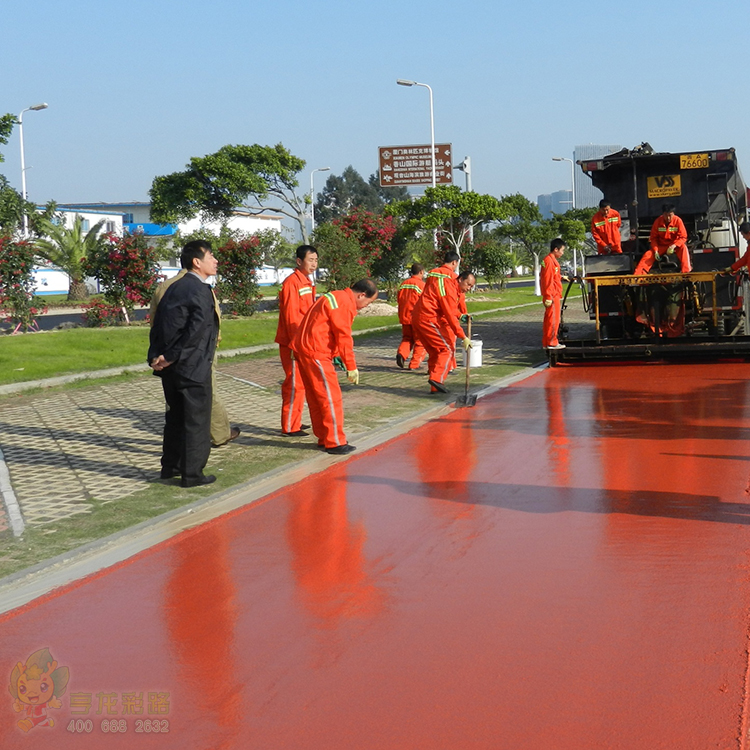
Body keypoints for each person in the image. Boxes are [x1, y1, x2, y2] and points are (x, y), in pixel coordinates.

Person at [148, 240, 220, 487]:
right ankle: (192, 474)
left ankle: (171, 467)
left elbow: (157, 324)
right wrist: (169, 356)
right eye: (211, 256)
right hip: (192, 366)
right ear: (196, 262)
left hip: (171, 367)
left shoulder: (173, 287)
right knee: (196, 421)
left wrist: (155, 355)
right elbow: (196, 331)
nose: (216, 261)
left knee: (175, 418)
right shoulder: (200, 289)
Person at [150, 268, 240, 448]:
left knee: (174, 398)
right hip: (198, 351)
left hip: (168, 353)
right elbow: (212, 320)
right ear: (196, 262)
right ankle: (219, 434)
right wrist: (215, 341)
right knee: (207, 391)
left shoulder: (164, 287)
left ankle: (179, 441)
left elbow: (155, 321)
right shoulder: (199, 288)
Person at [291, 278, 378, 455]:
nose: (366, 306)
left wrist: (336, 355)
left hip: (305, 350)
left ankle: (324, 437)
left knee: (316, 397)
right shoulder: (344, 303)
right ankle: (335, 441)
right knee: (331, 398)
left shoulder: (335, 296)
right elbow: (343, 336)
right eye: (369, 302)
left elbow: (323, 326)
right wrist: (351, 366)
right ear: (361, 295)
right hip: (316, 352)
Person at [411, 252, 472, 393]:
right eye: (468, 285)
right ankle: (437, 379)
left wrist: (460, 315)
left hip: (417, 316)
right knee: (447, 349)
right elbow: (449, 310)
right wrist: (463, 336)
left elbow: (442, 303)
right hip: (430, 318)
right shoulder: (450, 282)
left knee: (435, 351)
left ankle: (435, 388)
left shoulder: (433, 275)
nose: (468, 289)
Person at [275, 245, 318, 436]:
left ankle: (296, 421)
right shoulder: (292, 283)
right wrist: (296, 344)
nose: (314, 264)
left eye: (316, 260)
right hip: (293, 342)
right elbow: (292, 316)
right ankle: (290, 427)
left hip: (303, 341)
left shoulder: (306, 281)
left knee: (303, 382)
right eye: (311, 260)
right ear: (299, 262)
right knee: (295, 383)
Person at [634, 203, 691, 275]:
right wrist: (655, 250)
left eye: (670, 215)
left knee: (684, 248)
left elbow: (683, 237)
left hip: (674, 246)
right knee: (648, 255)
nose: (668, 218)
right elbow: (653, 238)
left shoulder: (678, 221)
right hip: (661, 246)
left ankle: (686, 273)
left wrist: (674, 246)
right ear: (663, 214)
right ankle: (638, 277)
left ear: (673, 214)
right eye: (666, 215)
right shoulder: (658, 221)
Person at [395, 263, 426, 370]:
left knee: (407, 338)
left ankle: (401, 354)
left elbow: (399, 300)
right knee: (420, 341)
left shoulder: (403, 284)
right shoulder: (421, 285)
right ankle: (414, 364)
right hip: (417, 318)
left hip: (404, 317)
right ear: (421, 272)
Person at [540, 238, 567, 350]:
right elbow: (547, 280)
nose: (562, 253)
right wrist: (548, 296)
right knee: (553, 320)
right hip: (552, 295)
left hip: (552, 294)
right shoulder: (549, 261)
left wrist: (561, 277)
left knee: (549, 319)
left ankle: (547, 342)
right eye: (562, 250)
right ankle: (552, 342)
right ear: (556, 249)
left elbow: (553, 276)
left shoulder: (550, 260)